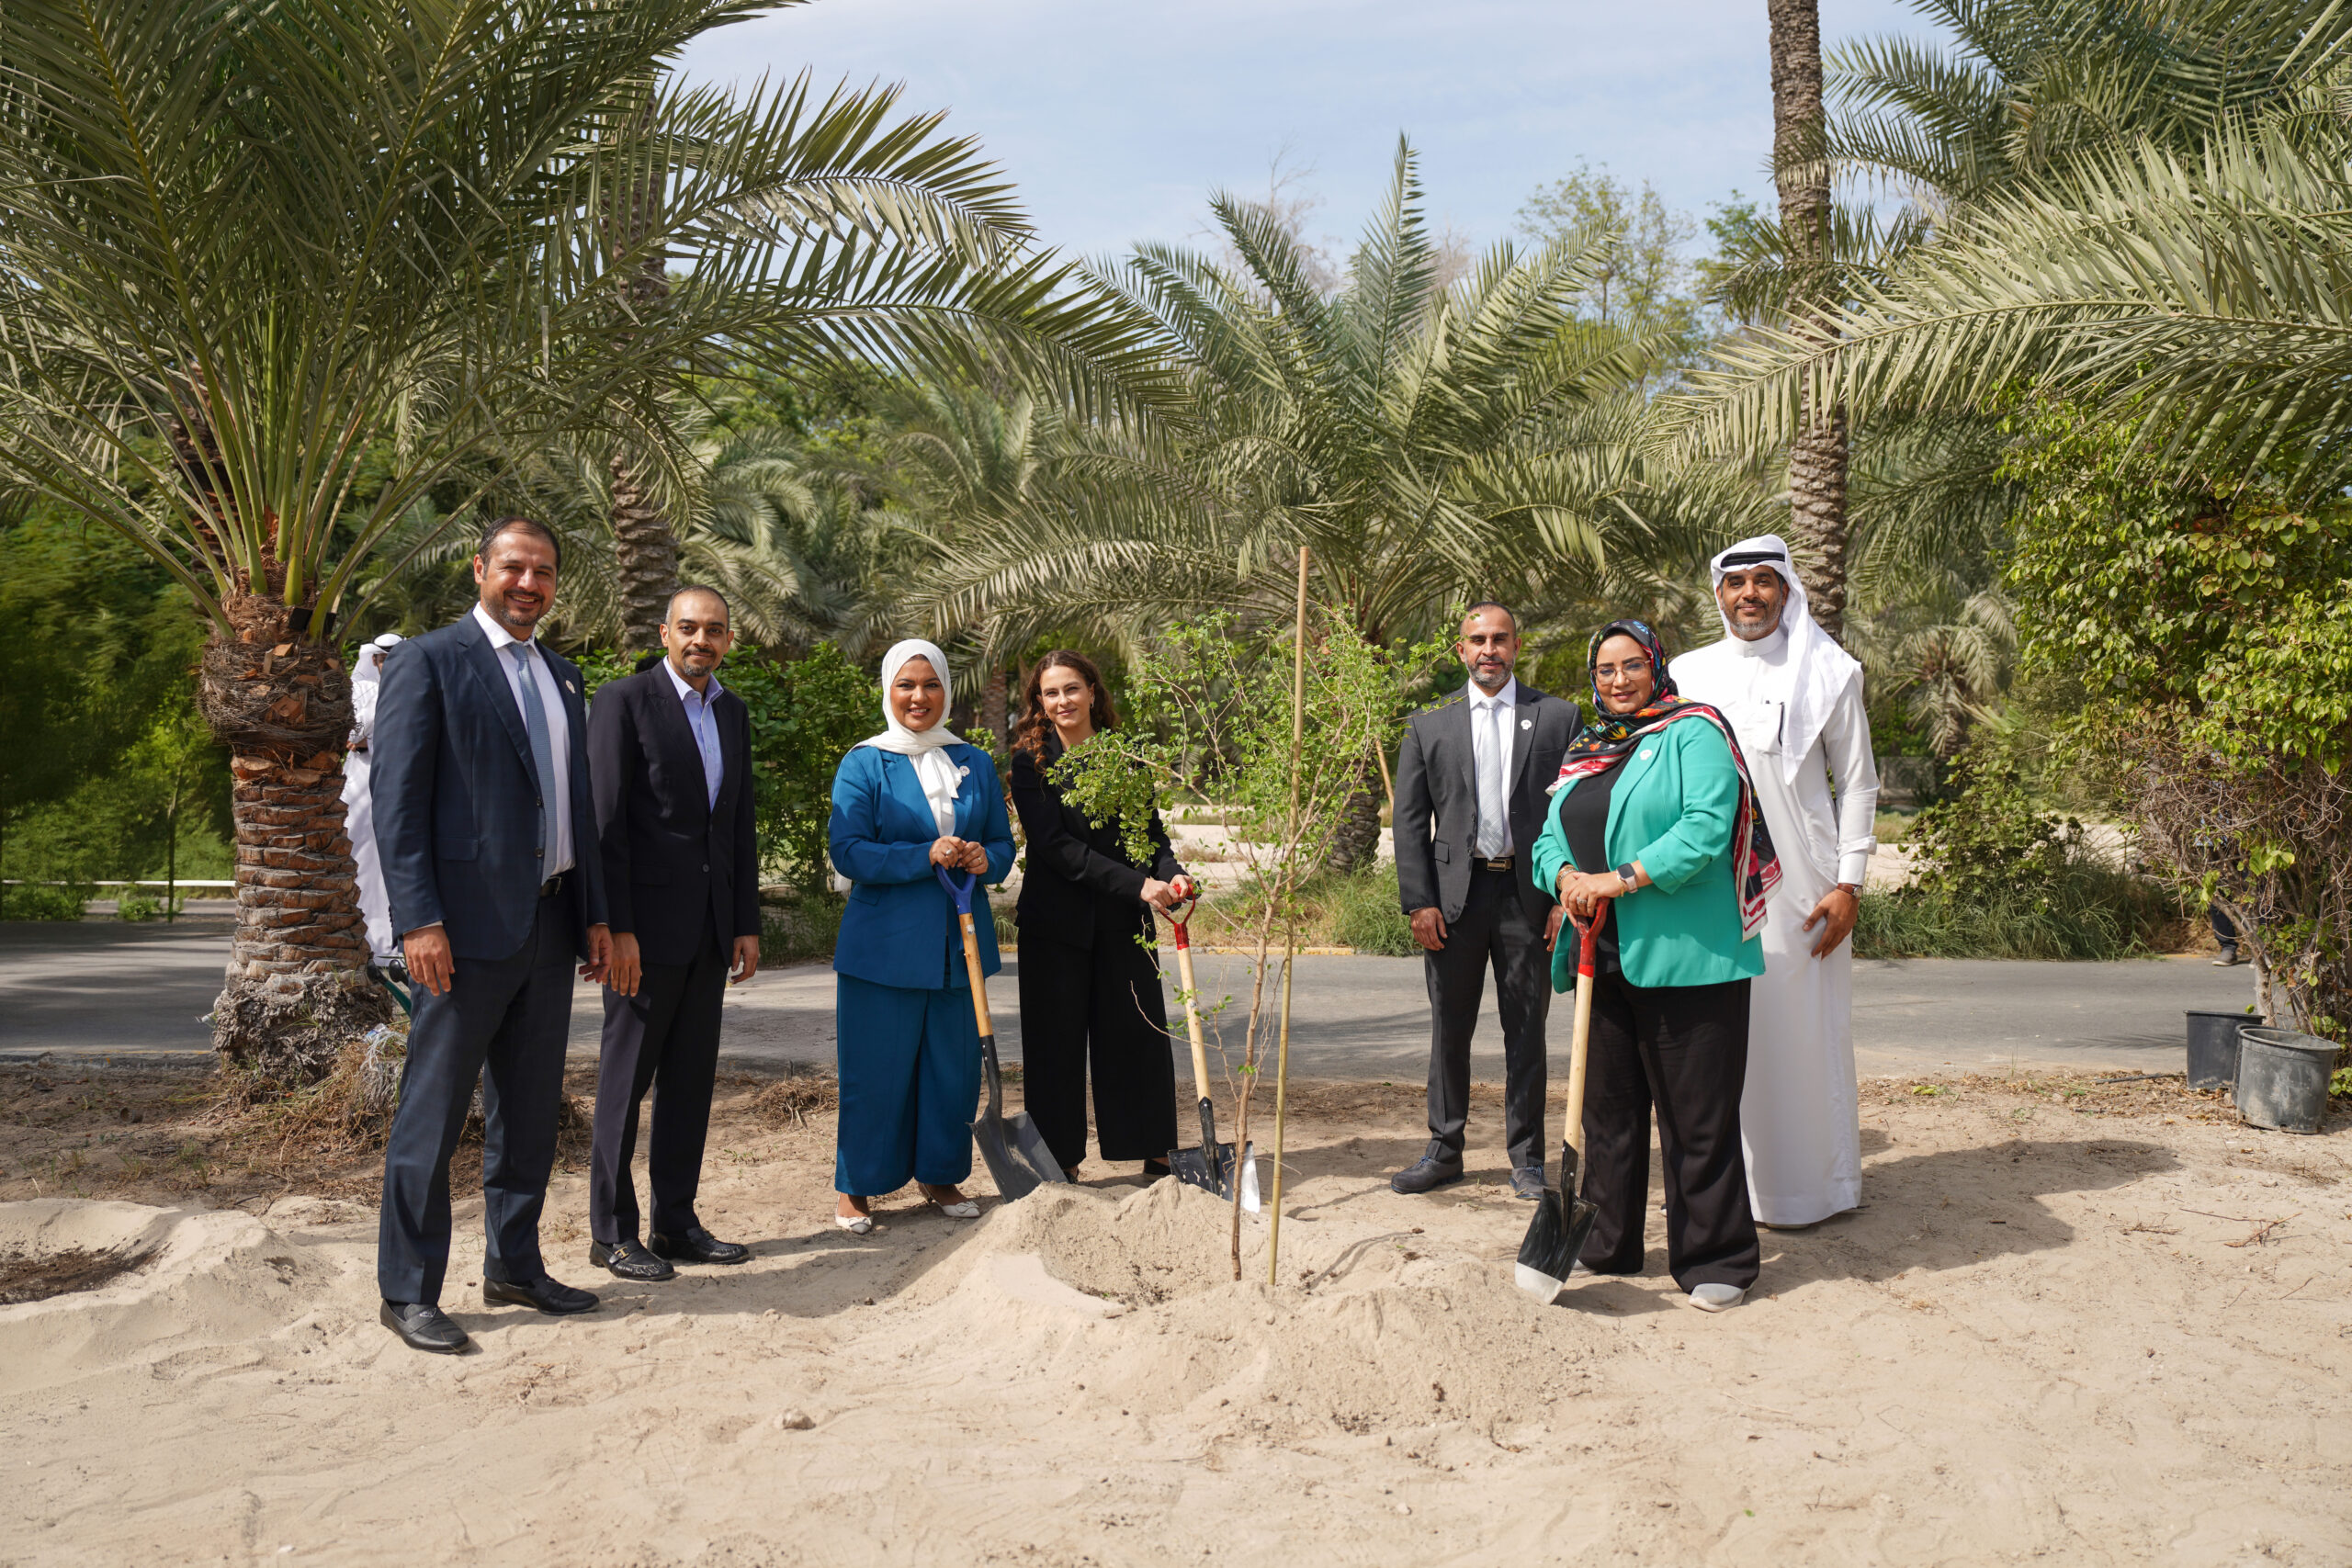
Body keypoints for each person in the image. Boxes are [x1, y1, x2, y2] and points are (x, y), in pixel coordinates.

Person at [371, 516, 612, 1354]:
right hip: (460, 932)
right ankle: (407, 1290)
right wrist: (418, 920)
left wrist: (596, 916)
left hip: (548, 923)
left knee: (530, 1112)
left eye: (544, 571)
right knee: (432, 1116)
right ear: (481, 569)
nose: (529, 583)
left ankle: (514, 1263)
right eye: (514, 566)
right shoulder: (429, 662)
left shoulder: (564, 675)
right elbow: (397, 805)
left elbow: (576, 808)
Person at [1530, 619, 1776, 1312]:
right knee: (1608, 1116)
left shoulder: (1694, 731)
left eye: (1631, 665)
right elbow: (1548, 837)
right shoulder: (1589, 748)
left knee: (1697, 1119)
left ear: (1656, 665)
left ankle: (1715, 1257)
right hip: (1598, 959)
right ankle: (1607, 1240)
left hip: (1690, 959)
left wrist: (1619, 879)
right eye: (1605, 669)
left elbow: (1704, 826)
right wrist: (1569, 879)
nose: (1617, 680)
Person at [1668, 536, 1879, 1230]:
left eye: (1764, 580)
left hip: (1804, 889)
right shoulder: (1685, 673)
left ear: (1787, 591)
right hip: (1710, 883)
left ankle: (1811, 1190)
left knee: (1803, 1035)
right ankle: (1731, 1193)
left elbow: (1857, 782)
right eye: (1736, 582)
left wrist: (1849, 882)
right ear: (1718, 593)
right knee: (1718, 1036)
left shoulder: (1829, 673)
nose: (1749, 594)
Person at [583, 586, 762, 1282]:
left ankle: (677, 1221)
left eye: (714, 630)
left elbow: (736, 822)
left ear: (727, 640)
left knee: (689, 1084)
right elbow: (605, 824)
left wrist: (744, 921)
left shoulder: (733, 712)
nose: (701, 640)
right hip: (642, 937)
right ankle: (612, 1233)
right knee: (624, 1086)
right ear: (664, 631)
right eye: (688, 627)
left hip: (712, 934)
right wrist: (614, 928)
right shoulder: (622, 701)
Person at [1390, 603, 1580, 1198]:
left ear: (1516, 646)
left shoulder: (1557, 718)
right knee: (1450, 1027)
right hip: (1455, 900)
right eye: (1477, 640)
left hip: (1530, 896)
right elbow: (1409, 819)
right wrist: (1420, 900)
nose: (1489, 649)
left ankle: (1527, 1160)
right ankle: (1445, 1149)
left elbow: (1575, 810)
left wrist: (1562, 896)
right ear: (1461, 651)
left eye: (1499, 638)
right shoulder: (1430, 724)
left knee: (1527, 1029)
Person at [827, 639, 1016, 1232]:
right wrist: (923, 854)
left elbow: (1002, 843)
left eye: (930, 684)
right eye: (906, 685)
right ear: (888, 690)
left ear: (946, 692)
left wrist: (988, 858)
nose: (918, 697)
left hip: (959, 947)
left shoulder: (975, 761)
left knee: (951, 1070)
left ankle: (939, 1173)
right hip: (883, 950)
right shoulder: (864, 762)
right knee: (876, 1070)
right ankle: (858, 1186)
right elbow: (848, 850)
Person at [1008, 651, 1187, 1180]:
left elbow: (1150, 834)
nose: (1062, 701)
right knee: (1054, 1047)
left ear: (1092, 690)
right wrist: (1141, 885)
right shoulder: (1029, 762)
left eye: (1071, 689)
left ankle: (1154, 1149)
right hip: (1053, 929)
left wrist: (1172, 873)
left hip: (1122, 925)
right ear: (1039, 701)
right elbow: (1055, 847)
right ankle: (1059, 1161)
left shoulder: (1124, 755)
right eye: (1050, 693)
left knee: (1138, 1037)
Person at [341, 633, 403, 962]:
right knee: (364, 854)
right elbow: (351, 735)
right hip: (363, 784)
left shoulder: (413, 688)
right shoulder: (363, 690)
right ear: (374, 660)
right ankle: (366, 937)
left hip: (400, 781)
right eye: (382, 659)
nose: (386, 664)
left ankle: (394, 938)